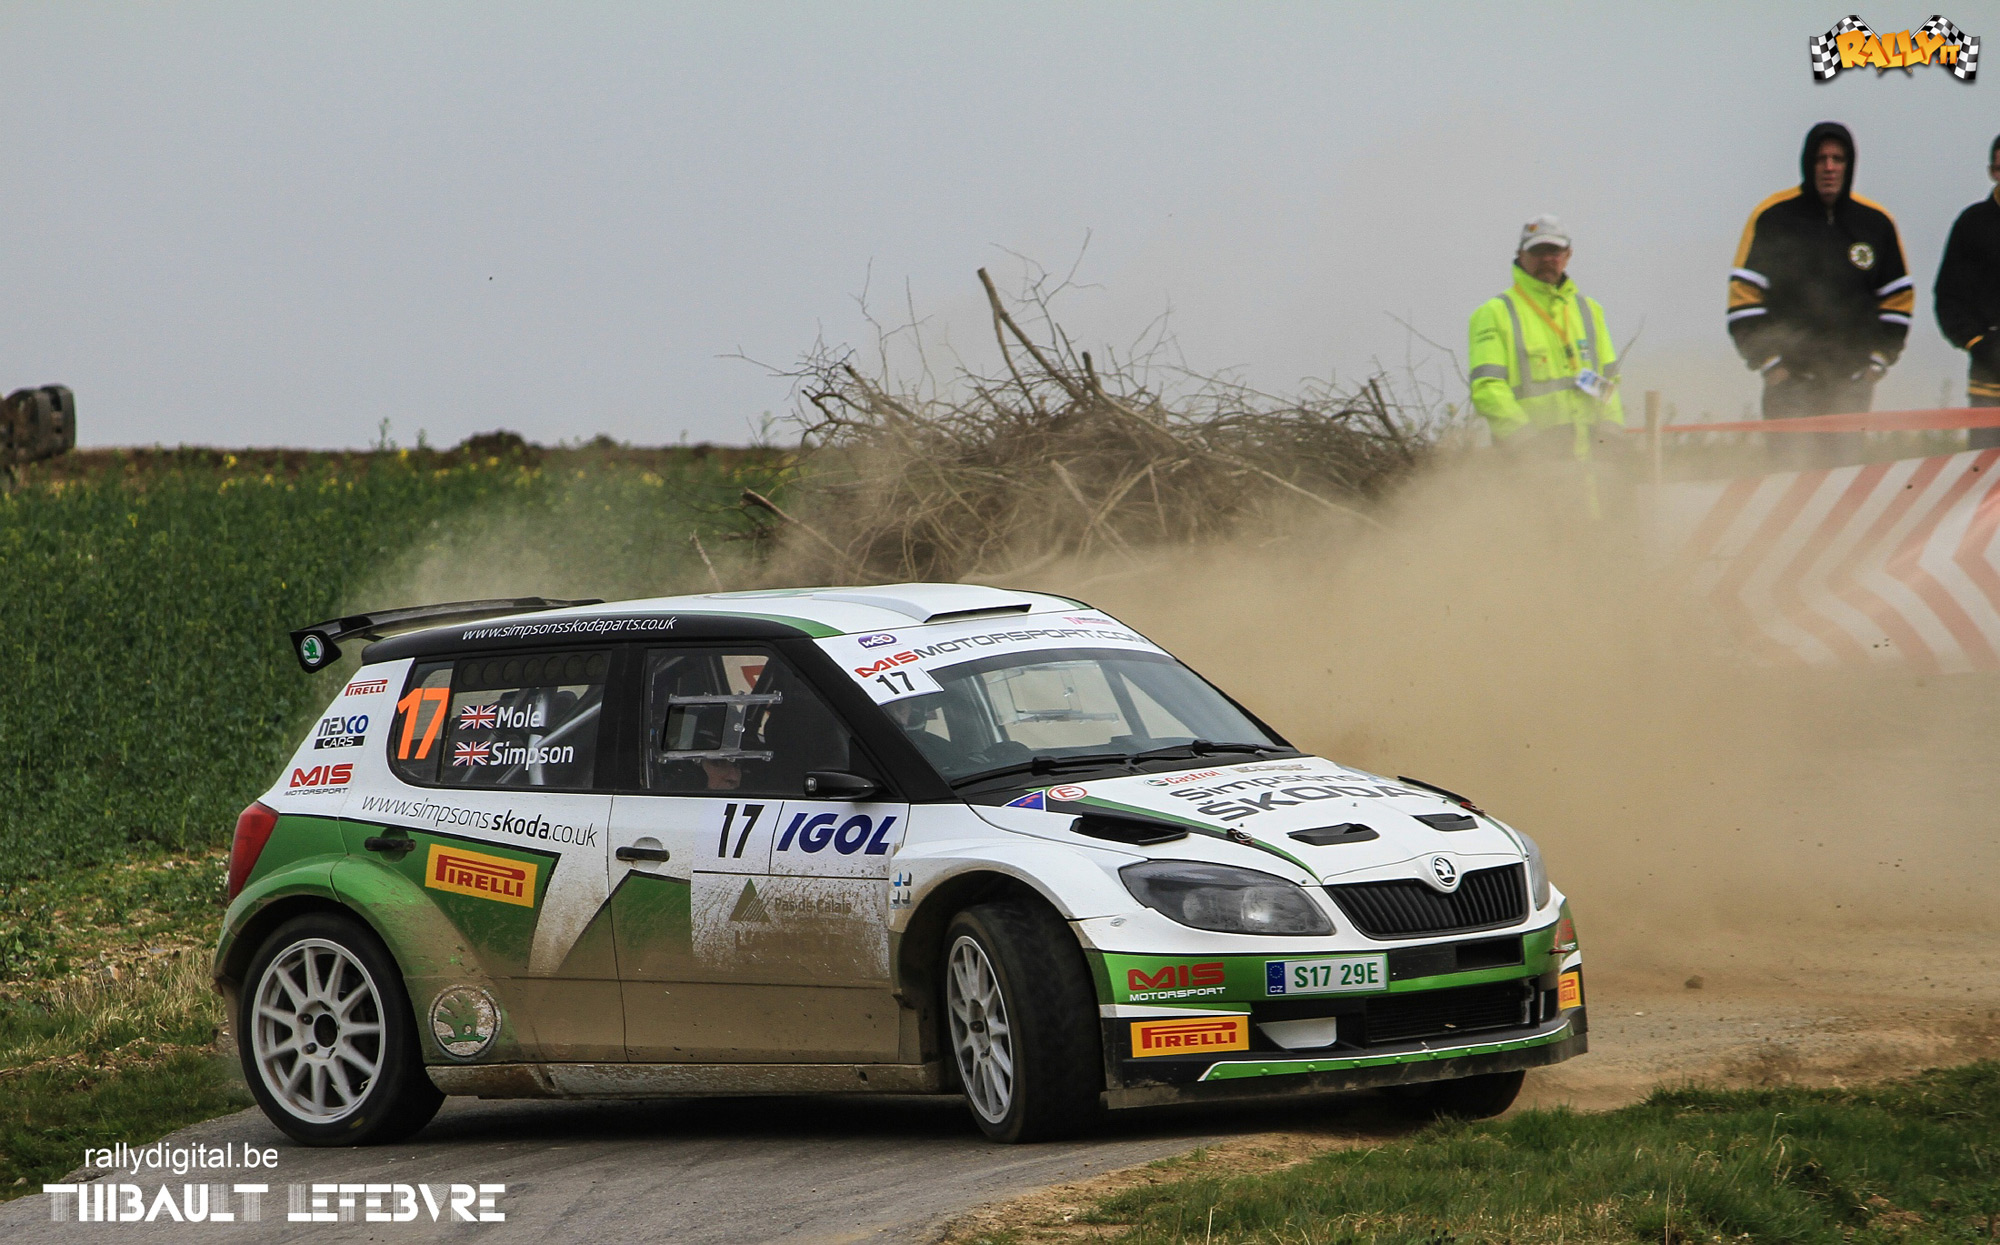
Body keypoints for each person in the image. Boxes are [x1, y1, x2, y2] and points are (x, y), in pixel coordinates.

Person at [1727, 122, 1909, 464]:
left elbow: (1898, 301)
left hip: (1850, 389)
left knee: (1844, 489)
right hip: (1789, 388)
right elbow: (1743, 301)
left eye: (1838, 159)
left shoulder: (1876, 223)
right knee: (1789, 489)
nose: (1829, 167)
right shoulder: (1773, 217)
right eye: (1821, 158)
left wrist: (1874, 366)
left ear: (1850, 164)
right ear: (1807, 163)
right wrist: (1771, 366)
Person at [1467, 214, 1624, 457]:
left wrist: (1612, 433)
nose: (1547, 259)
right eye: (1538, 251)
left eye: (1554, 251)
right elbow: (1487, 389)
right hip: (1528, 464)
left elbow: (1608, 380)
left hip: (1591, 463)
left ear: (1568, 254)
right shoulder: (1494, 313)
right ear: (1521, 255)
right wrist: (1526, 442)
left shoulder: (1590, 310)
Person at [1934, 133, 2000, 449]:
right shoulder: (1971, 224)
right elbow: (1948, 297)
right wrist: (1978, 343)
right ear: (1992, 172)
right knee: (1982, 480)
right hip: (1988, 385)